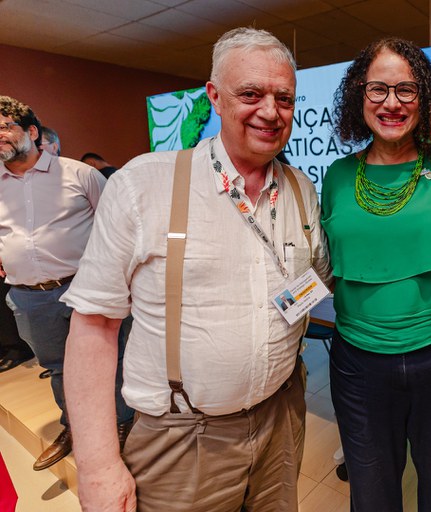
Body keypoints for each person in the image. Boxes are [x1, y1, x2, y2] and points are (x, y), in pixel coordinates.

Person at [62, 27, 331, 512]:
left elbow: (313, 279)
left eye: (284, 98)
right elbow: (94, 326)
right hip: (183, 436)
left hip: (282, 419)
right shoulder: (144, 184)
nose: (270, 112)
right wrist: (98, 465)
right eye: (250, 94)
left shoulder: (301, 189)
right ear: (215, 97)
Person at [322, 37, 431, 511]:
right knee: (371, 498)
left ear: (425, 98)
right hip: (358, 365)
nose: (392, 103)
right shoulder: (336, 176)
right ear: (359, 96)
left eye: (406, 90)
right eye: (378, 90)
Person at [0, 96, 134, 471]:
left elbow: (117, 230)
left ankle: (122, 423)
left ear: (32, 132)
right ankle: (74, 426)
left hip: (85, 290)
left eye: (5, 126)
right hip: (30, 298)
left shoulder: (80, 174)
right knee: (59, 367)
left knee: (111, 361)